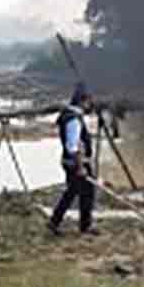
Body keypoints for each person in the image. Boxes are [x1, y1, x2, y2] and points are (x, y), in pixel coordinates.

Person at [48, 83, 100, 237]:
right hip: (76, 163)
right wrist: (81, 167)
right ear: (83, 101)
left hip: (73, 162)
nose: (90, 104)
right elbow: (73, 146)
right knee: (83, 192)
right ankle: (79, 225)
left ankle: (57, 222)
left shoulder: (71, 115)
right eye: (89, 101)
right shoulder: (73, 120)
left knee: (75, 192)